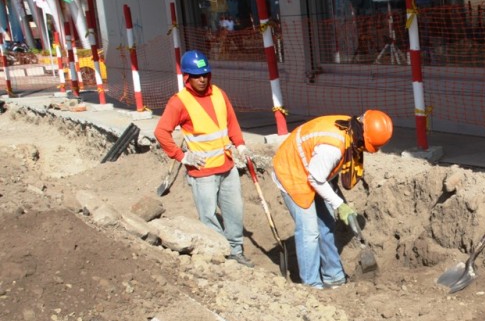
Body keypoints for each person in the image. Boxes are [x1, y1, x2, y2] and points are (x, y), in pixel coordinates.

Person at [154, 49, 254, 268]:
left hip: (227, 166)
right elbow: (161, 132)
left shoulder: (219, 93)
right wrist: (182, 156)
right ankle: (222, 254)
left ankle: (236, 251)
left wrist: (240, 144)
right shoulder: (179, 102)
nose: (202, 79)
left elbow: (231, 122)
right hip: (202, 172)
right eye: (197, 75)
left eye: (205, 74)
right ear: (187, 77)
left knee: (234, 211)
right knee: (208, 216)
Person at [271, 110, 393, 289]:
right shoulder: (333, 147)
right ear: (362, 136)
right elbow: (315, 178)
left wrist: (337, 198)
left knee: (327, 223)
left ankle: (334, 277)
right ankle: (312, 286)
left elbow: (325, 171)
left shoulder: (351, 129)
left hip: (315, 170)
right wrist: (339, 205)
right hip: (293, 172)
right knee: (309, 233)